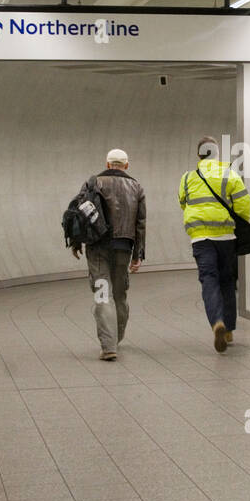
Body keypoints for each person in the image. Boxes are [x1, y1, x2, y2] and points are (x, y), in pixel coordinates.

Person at [71, 149, 146, 361]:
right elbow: (140, 224)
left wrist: (76, 243)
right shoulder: (137, 187)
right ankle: (117, 338)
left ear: (107, 163)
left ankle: (108, 345)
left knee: (102, 294)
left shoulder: (93, 183)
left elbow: (80, 214)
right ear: (127, 165)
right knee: (120, 295)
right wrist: (137, 255)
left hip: (97, 247)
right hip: (123, 248)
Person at [179, 135, 250, 353]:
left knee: (209, 280)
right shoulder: (230, 174)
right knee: (227, 281)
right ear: (217, 153)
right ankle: (228, 329)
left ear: (199, 154)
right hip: (226, 237)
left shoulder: (188, 178)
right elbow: (243, 205)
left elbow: (183, 202)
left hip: (201, 238)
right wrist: (238, 225)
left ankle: (217, 322)